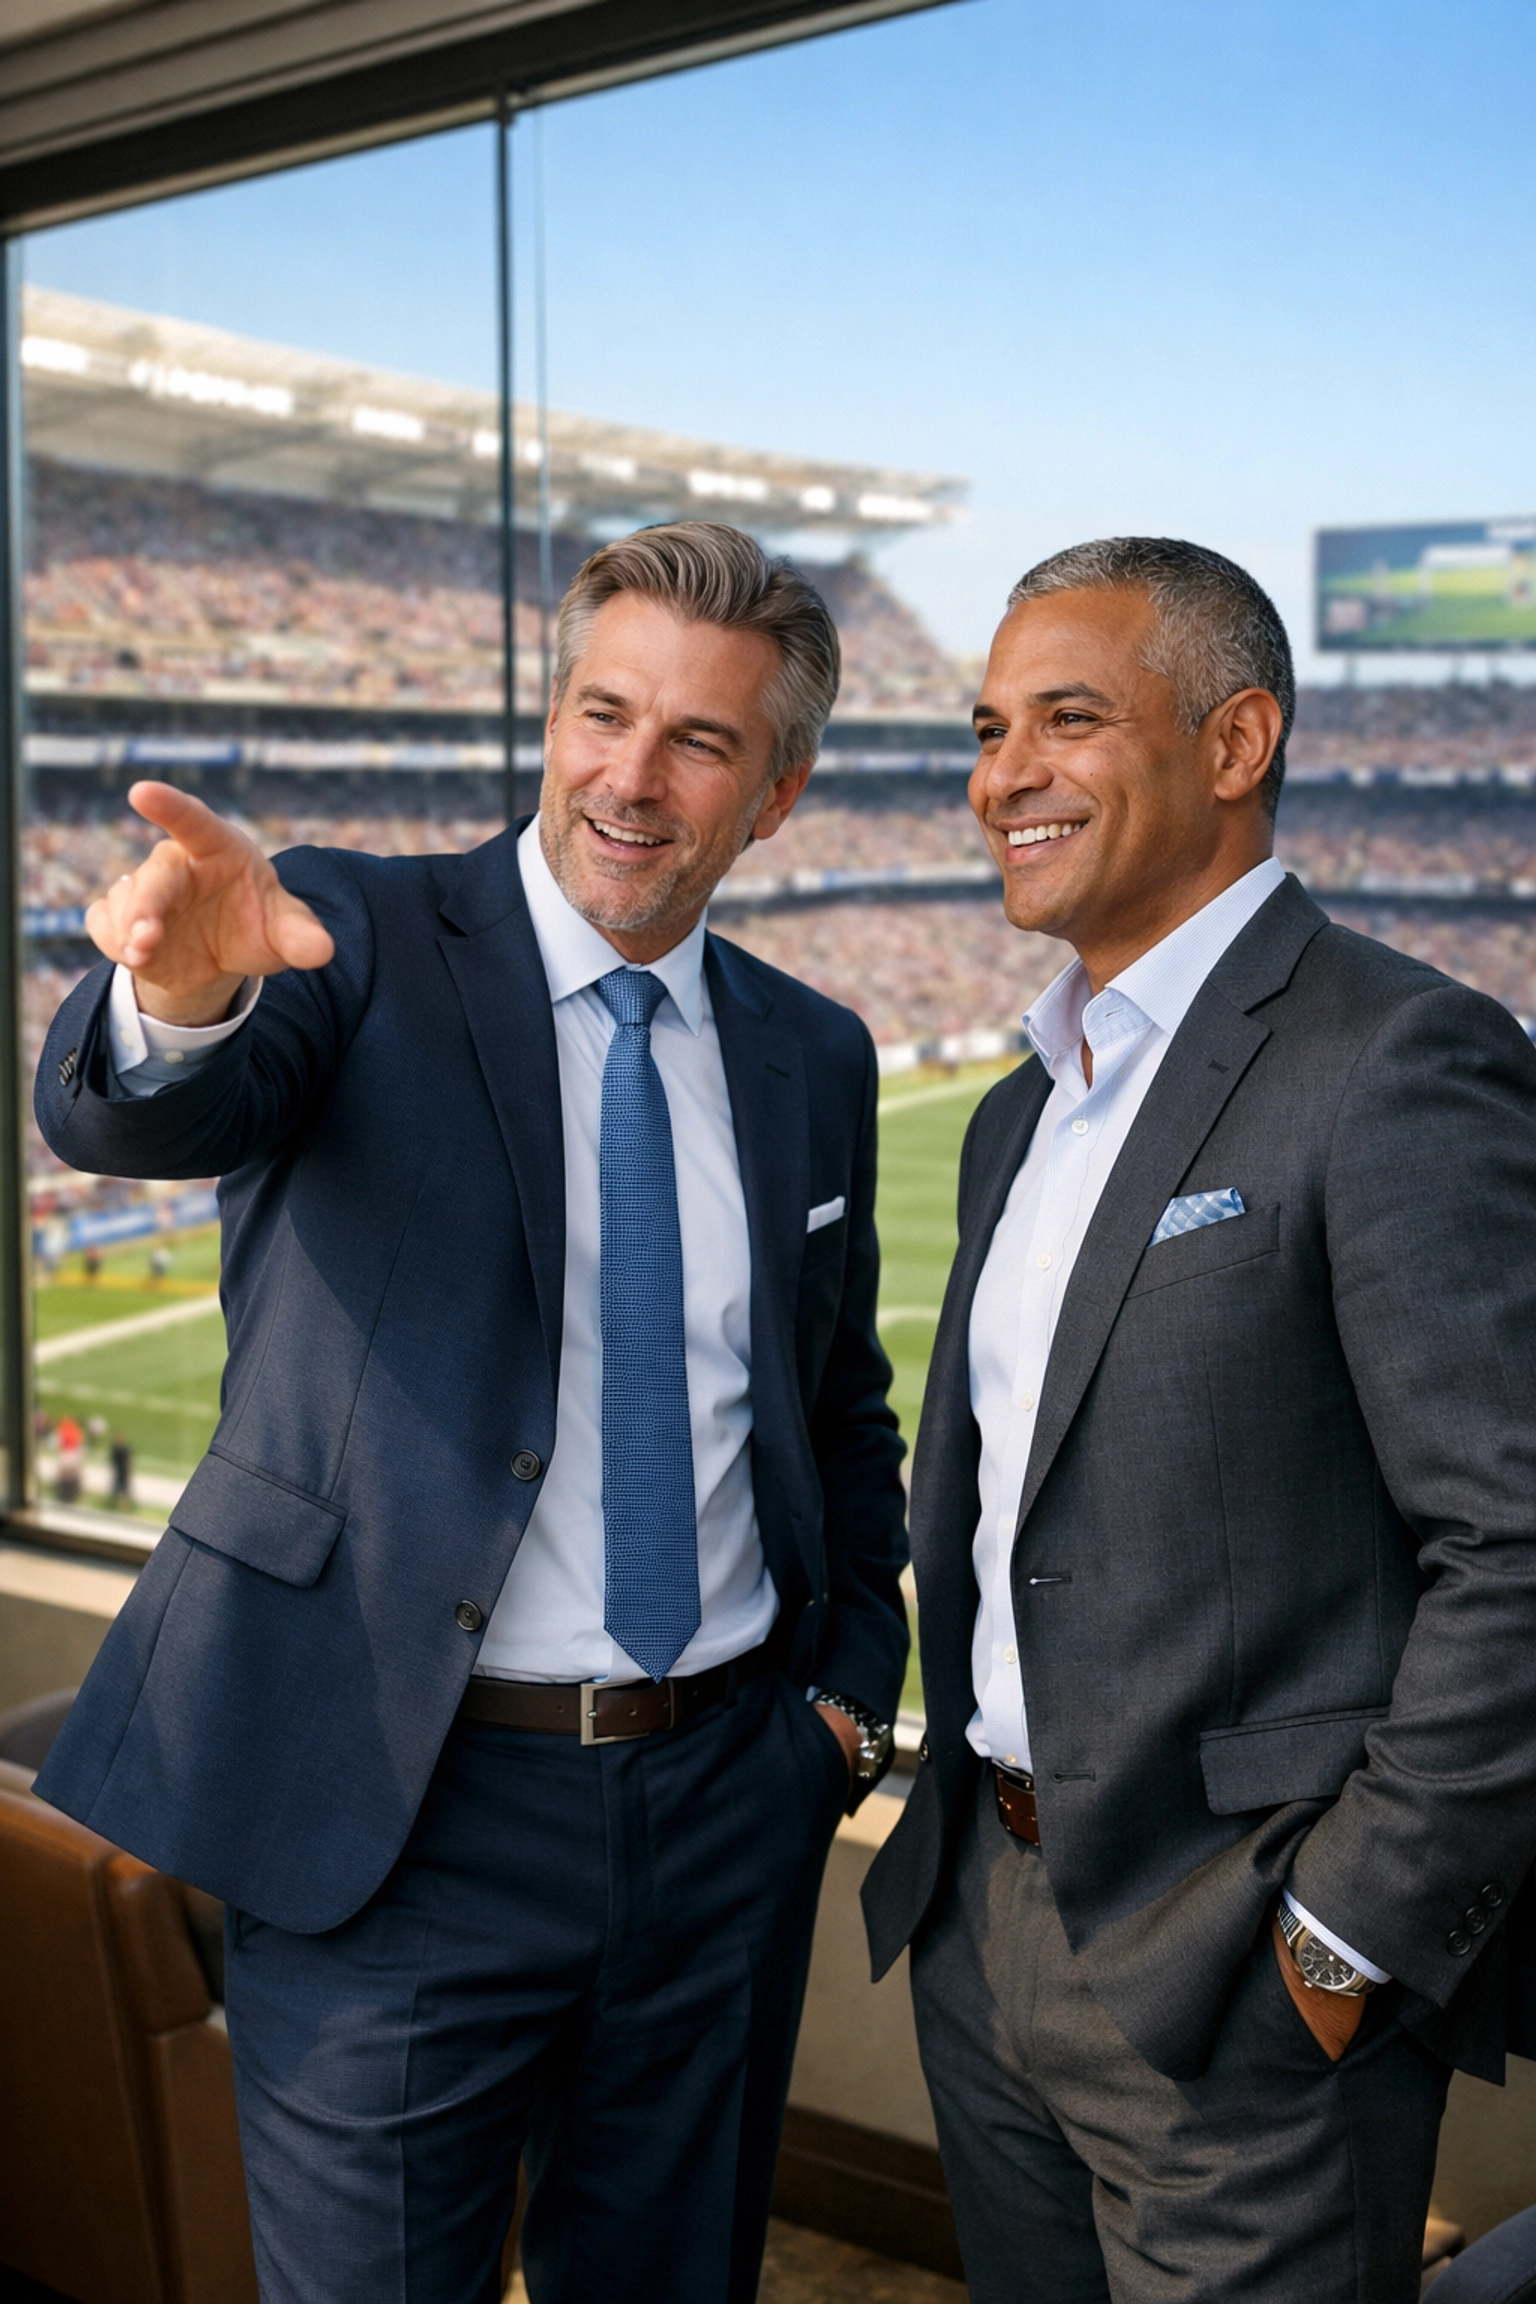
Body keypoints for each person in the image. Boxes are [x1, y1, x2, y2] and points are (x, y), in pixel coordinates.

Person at [34, 522, 909, 2304]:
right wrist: (178, 996)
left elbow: (835, 1414)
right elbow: (143, 1112)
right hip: (397, 1810)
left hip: (724, 1799)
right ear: (552, 719)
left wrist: (839, 1711)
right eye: (604, 713)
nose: (633, 779)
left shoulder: (813, 1051)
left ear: (783, 792)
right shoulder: (350, 928)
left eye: (702, 742)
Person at [862, 536, 1536, 2304]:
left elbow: (1521, 1544)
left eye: (1067, 719)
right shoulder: (1026, 1107)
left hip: (1239, 1958)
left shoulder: (1398, 1055)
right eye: (989, 726)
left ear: (1236, 747)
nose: (1003, 772)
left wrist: (1342, 1934)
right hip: (981, 1920)